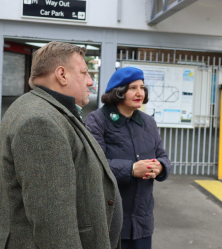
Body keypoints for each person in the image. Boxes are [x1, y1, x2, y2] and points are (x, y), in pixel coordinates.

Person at [0, 41, 122, 249]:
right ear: (62, 75)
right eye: (84, 73)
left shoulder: (45, 109)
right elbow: (53, 225)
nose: (90, 82)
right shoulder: (40, 122)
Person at [85, 67, 171, 249]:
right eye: (133, 88)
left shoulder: (148, 122)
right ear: (119, 91)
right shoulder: (97, 120)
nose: (140, 92)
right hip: (109, 221)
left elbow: (162, 156)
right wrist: (132, 169)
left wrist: (160, 167)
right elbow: (93, 166)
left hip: (142, 220)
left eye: (142, 87)